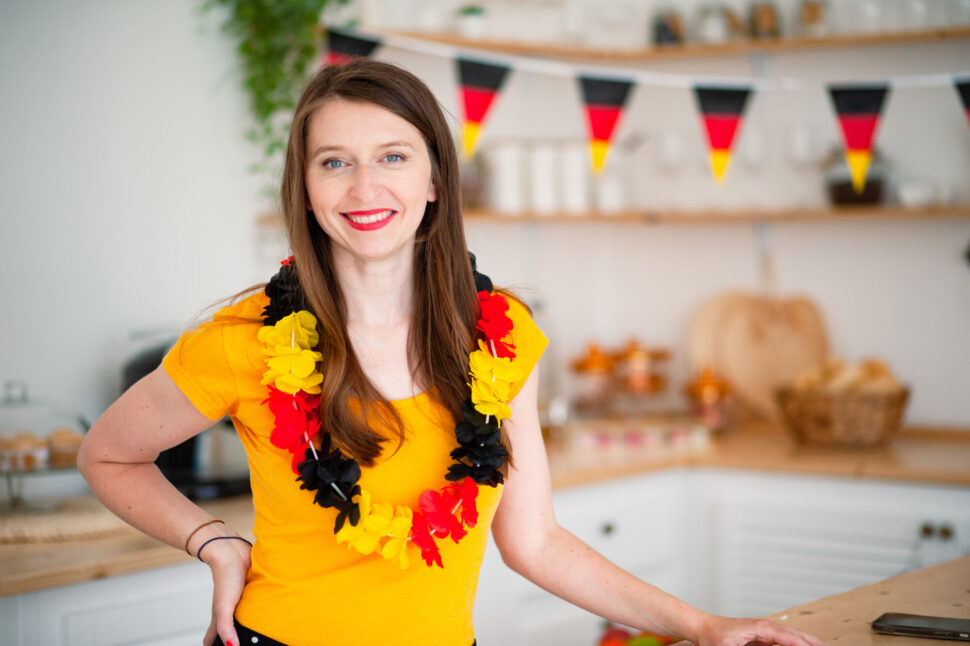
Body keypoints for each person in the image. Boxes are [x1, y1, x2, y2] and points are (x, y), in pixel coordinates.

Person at [79, 59, 825, 646]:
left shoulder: (501, 336)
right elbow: (107, 455)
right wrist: (213, 542)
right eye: (334, 162)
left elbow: (534, 542)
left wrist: (703, 626)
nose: (365, 186)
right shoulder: (244, 339)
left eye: (392, 156)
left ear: (436, 178)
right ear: (303, 189)